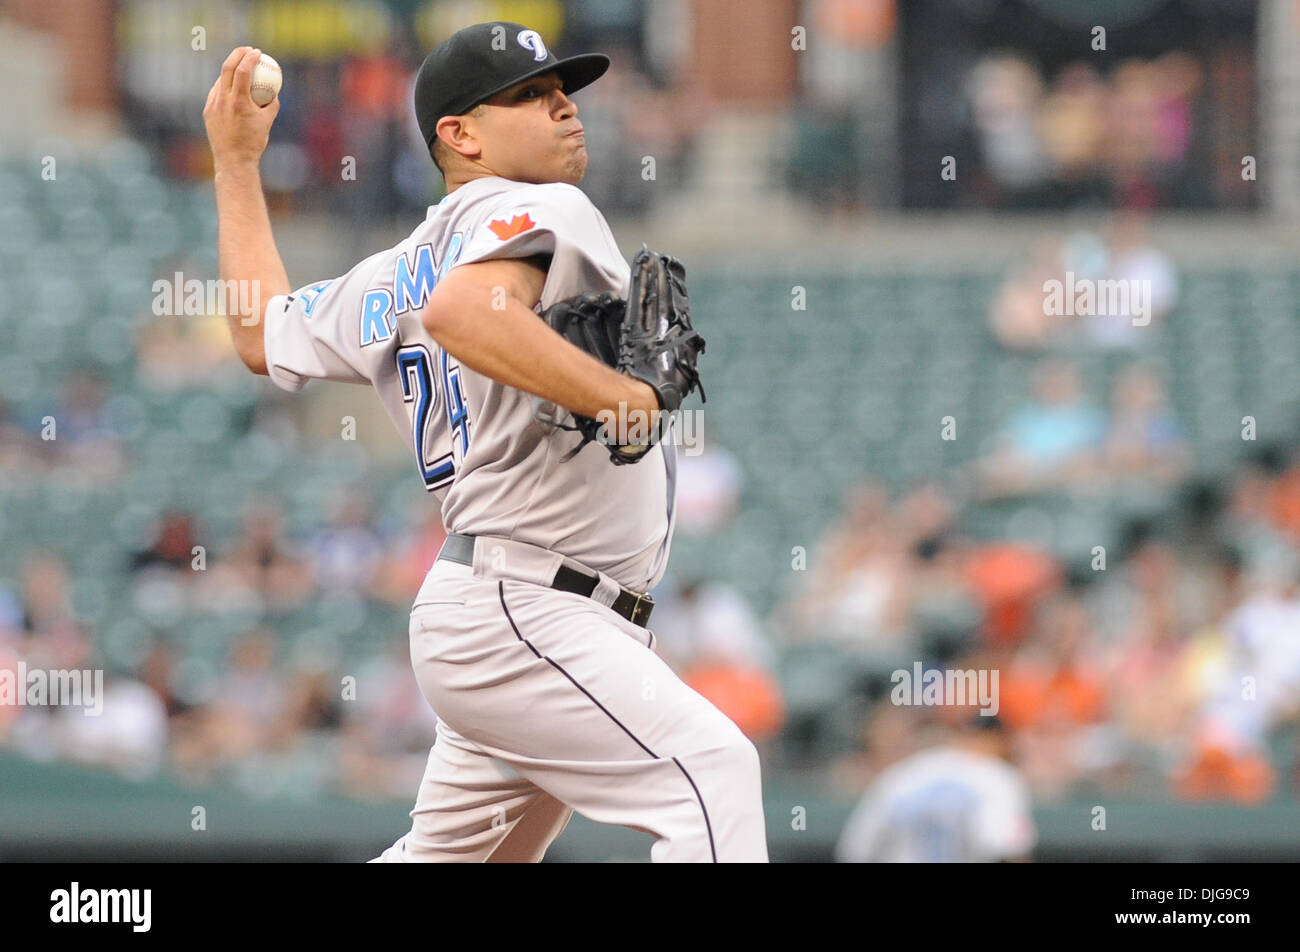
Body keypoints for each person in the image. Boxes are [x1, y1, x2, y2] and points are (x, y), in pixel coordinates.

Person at [202, 22, 767, 862]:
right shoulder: (543, 205)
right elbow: (464, 313)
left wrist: (238, 167)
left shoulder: (388, 273)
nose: (565, 109)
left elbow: (259, 332)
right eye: (532, 97)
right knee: (713, 774)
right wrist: (626, 399)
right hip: (530, 608)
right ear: (460, 136)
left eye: (563, 91)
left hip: (507, 612)